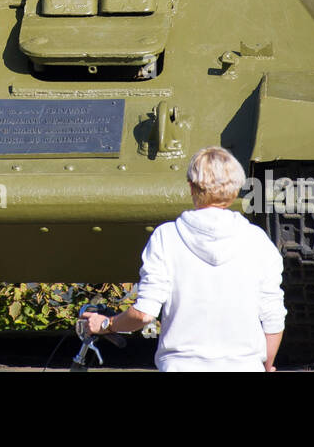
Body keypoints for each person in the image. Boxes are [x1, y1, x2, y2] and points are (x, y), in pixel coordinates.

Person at [80, 146, 286, 371]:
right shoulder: (258, 241)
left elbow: (143, 315)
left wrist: (107, 324)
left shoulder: (166, 237)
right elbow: (273, 317)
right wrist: (267, 365)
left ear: (191, 187)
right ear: (236, 189)